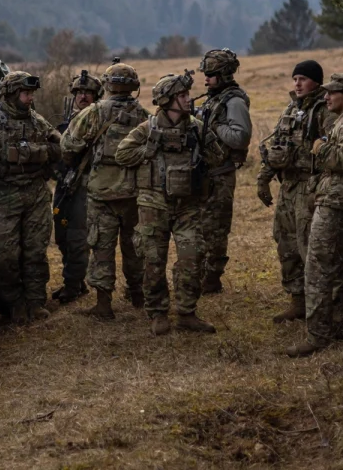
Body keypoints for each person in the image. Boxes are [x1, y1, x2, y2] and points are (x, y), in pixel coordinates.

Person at [115, 71, 226, 335]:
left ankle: (187, 312)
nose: (189, 99)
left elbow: (217, 157)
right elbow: (122, 153)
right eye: (183, 95)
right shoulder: (148, 128)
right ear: (167, 100)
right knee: (153, 261)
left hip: (188, 206)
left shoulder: (197, 127)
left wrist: (200, 160)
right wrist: (149, 151)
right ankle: (158, 312)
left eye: (187, 94)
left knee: (192, 258)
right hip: (154, 204)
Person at [287, 73, 343, 357]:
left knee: (318, 266)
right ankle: (342, 326)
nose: (326, 97)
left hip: (339, 201)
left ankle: (318, 335)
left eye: (332, 93)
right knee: (339, 264)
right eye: (325, 93)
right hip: (340, 198)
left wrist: (321, 147)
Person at [0, 71, 63, 324]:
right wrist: (3, 154)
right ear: (10, 94)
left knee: (35, 253)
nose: (30, 98)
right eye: (26, 93)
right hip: (3, 197)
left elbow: (58, 148)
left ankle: (35, 302)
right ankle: (15, 304)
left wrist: (30, 153)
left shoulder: (38, 122)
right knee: (7, 257)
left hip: (36, 194)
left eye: (32, 93)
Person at [60, 62, 150, 319]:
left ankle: (103, 304)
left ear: (107, 85)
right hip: (133, 193)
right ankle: (137, 295)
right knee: (134, 246)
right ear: (134, 87)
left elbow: (68, 145)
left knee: (101, 247)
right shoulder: (144, 115)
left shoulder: (95, 112)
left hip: (101, 192)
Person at [257, 60, 336, 324]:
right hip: (288, 187)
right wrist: (264, 178)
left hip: (309, 187)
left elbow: (333, 152)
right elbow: (277, 145)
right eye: (295, 79)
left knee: (308, 245)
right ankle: (297, 301)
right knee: (285, 242)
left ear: (316, 81)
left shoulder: (325, 111)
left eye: (303, 78)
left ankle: (321, 307)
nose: (297, 84)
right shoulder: (291, 109)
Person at [195, 49, 253, 294]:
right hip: (206, 173)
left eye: (210, 75)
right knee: (201, 226)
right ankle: (200, 275)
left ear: (224, 75)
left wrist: (214, 126)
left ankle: (212, 279)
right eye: (206, 75)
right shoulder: (214, 98)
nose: (206, 79)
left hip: (221, 174)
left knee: (216, 228)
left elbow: (240, 137)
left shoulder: (234, 101)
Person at [51, 70, 103, 304]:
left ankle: (72, 284)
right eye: (79, 92)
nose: (83, 97)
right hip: (64, 189)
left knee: (77, 238)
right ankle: (76, 281)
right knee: (61, 236)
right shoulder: (65, 123)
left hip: (85, 189)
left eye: (88, 93)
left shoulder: (100, 124)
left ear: (96, 97)